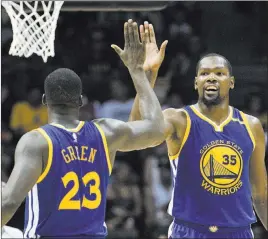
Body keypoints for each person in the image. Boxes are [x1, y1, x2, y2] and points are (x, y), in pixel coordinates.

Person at [1, 20, 165, 238]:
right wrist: (138, 73)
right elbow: (156, 130)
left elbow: (10, 201)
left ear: (45, 101)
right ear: (80, 101)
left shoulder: (36, 141)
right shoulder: (106, 132)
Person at [129, 21, 268, 238]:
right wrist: (146, 75)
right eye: (204, 73)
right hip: (190, 231)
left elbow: (260, 195)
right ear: (196, 83)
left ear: (231, 82)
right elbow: (135, 135)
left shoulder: (251, 126)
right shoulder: (179, 119)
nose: (211, 77)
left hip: (239, 232)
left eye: (219, 73)